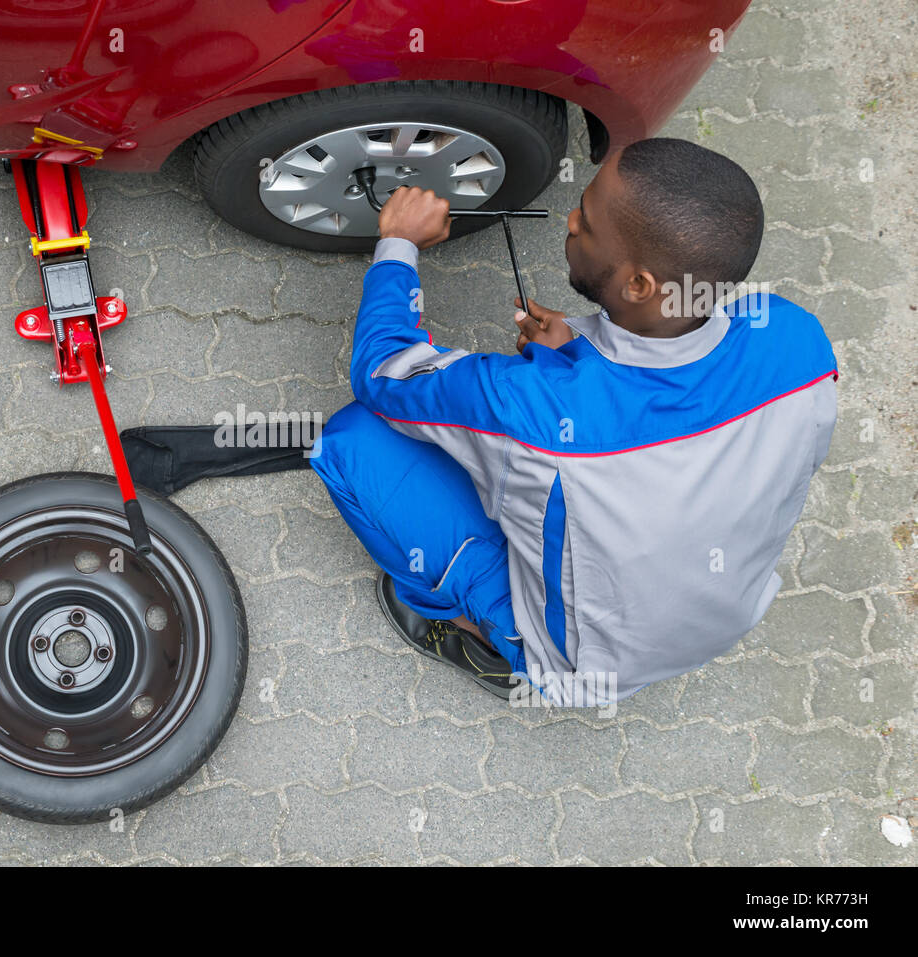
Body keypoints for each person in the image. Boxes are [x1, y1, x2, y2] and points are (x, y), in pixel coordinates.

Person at [308, 137, 838, 707]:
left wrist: (397, 245)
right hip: (723, 616)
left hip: (581, 667)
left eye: (584, 220)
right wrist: (583, 349)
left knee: (352, 439)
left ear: (637, 285)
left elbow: (383, 371)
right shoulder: (797, 340)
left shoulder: (532, 408)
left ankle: (488, 640)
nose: (569, 219)